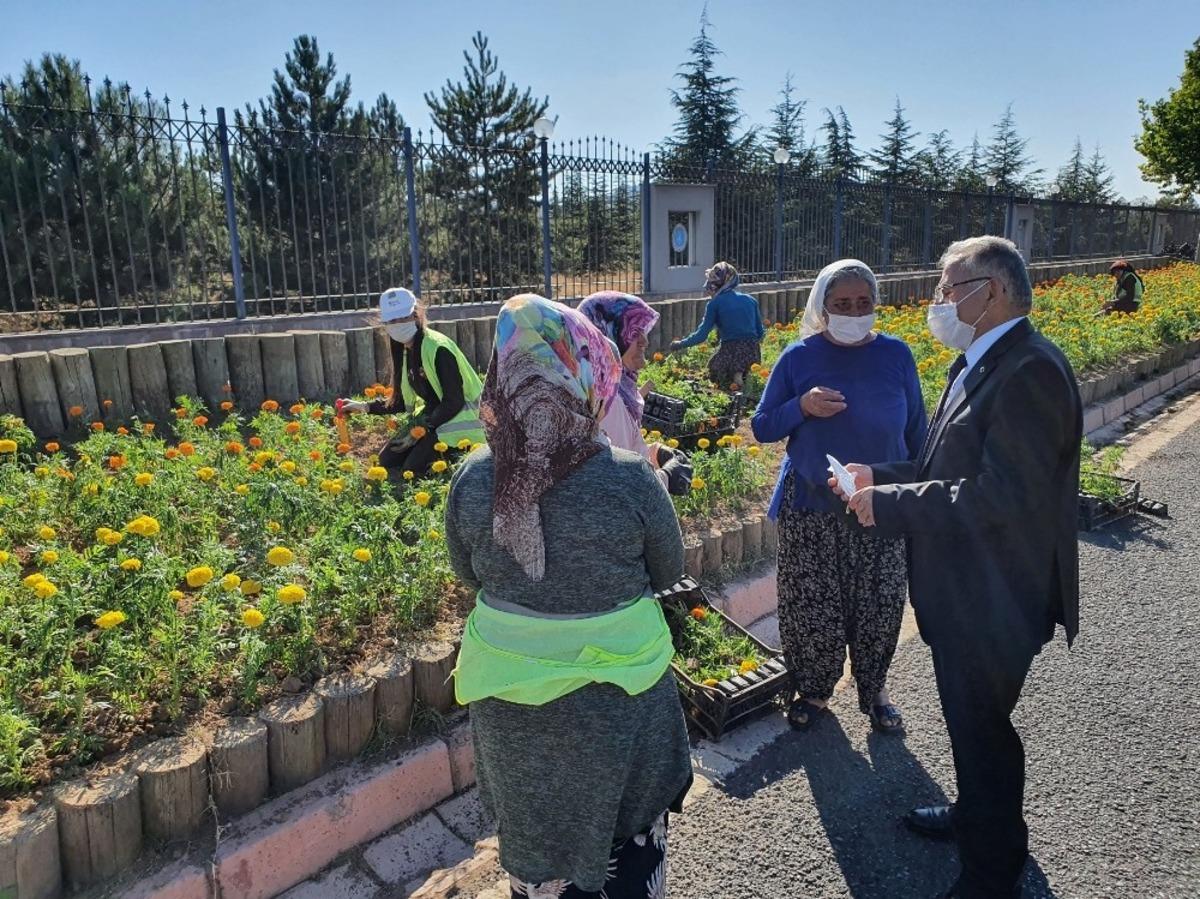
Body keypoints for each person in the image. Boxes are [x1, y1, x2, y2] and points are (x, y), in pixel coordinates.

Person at [832, 236, 1082, 898]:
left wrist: (883, 504)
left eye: (948, 288)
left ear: (991, 291)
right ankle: (975, 817)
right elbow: (946, 465)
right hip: (964, 591)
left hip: (996, 596)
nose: (938, 302)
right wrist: (875, 475)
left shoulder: (1029, 370)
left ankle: (991, 873)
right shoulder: (982, 361)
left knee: (984, 736)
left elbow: (998, 496)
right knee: (971, 725)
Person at [446, 293, 693, 899]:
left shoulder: (475, 479)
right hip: (620, 705)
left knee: (538, 856)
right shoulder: (631, 477)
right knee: (626, 855)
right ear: (586, 369)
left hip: (513, 708)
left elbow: (468, 575)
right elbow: (668, 572)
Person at [751, 259, 927, 734]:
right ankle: (815, 689)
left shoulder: (896, 356)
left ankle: (876, 691)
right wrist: (800, 406)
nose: (853, 311)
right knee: (812, 605)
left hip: (878, 505)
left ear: (876, 304)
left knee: (880, 601)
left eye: (863, 303)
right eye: (842, 304)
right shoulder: (798, 357)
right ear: (823, 308)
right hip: (810, 506)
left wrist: (901, 488)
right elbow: (762, 425)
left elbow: (919, 436)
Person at [339, 287, 484, 476]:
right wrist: (364, 407)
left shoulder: (438, 348)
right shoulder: (406, 350)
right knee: (387, 460)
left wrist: (421, 431)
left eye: (403, 318)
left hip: (463, 419)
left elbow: (453, 401)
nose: (398, 324)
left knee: (412, 469)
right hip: (435, 415)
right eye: (392, 321)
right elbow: (399, 402)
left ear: (416, 315)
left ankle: (457, 456)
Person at [577, 290, 692, 495]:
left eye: (642, 331)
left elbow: (617, 454)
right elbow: (619, 483)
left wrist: (651, 453)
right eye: (632, 332)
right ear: (605, 337)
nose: (644, 342)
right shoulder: (609, 403)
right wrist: (666, 477)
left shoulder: (605, 389)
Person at [669, 261, 766, 389]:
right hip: (753, 353)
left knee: (713, 374)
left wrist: (681, 344)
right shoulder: (750, 300)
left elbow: (701, 335)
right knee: (745, 379)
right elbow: (760, 333)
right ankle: (743, 378)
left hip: (730, 350)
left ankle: (736, 379)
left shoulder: (715, 304)